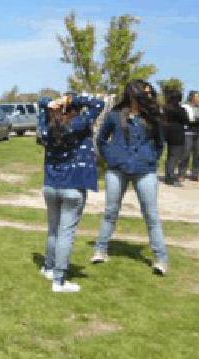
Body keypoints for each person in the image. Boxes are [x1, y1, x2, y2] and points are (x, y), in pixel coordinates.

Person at [92, 80, 170, 275]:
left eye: (150, 92)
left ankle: (161, 259)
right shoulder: (115, 116)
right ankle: (100, 250)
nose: (149, 95)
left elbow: (160, 144)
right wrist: (112, 156)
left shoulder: (153, 117)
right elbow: (101, 140)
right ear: (133, 93)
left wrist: (151, 158)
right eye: (145, 92)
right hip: (117, 170)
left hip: (145, 171)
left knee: (151, 216)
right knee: (110, 212)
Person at [37, 93, 105, 293]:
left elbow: (41, 105)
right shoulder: (79, 125)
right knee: (66, 233)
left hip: (51, 185)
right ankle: (59, 279)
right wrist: (72, 98)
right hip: (73, 185)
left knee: (53, 230)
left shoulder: (46, 128)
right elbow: (98, 103)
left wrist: (50, 103)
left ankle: (48, 267)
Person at [180, 90, 199, 182]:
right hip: (188, 133)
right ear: (191, 98)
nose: (197, 99)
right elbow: (184, 119)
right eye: (195, 97)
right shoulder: (185, 107)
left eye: (198, 97)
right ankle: (182, 174)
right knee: (186, 153)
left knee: (198, 155)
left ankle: (196, 174)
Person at [162, 88, 188, 187]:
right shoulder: (180, 110)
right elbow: (186, 121)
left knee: (170, 156)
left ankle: (168, 175)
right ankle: (171, 178)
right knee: (174, 156)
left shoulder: (166, 108)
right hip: (177, 134)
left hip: (167, 133)